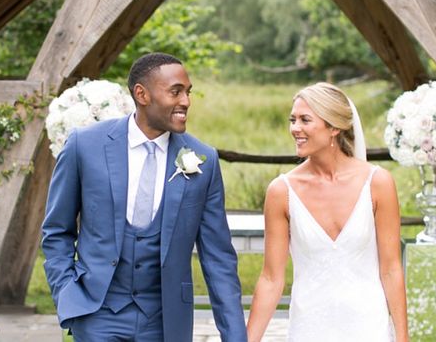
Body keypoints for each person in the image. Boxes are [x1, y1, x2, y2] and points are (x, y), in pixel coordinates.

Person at [42, 52, 247, 342]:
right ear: (142, 94)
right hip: (97, 315)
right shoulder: (85, 146)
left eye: (188, 93)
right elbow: (56, 231)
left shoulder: (204, 160)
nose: (186, 101)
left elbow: (218, 260)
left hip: (164, 322)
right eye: (175, 92)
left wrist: (235, 337)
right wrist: (67, 293)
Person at [246, 82, 409, 342]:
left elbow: (390, 269)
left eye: (305, 120)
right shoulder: (281, 191)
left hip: (368, 327)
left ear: (334, 127)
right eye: (293, 120)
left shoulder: (378, 183)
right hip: (309, 328)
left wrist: (402, 337)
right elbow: (270, 279)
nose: (295, 128)